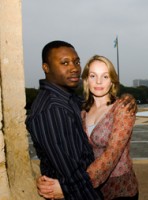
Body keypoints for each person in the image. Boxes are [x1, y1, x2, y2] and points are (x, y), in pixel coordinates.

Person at [26, 41, 136, 200]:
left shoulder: (73, 101)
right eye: (64, 63)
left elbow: (111, 155)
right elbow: (69, 169)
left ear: (112, 80)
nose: (73, 67)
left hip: (118, 189)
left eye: (76, 62)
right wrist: (68, 188)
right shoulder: (52, 110)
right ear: (46, 68)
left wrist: (66, 189)